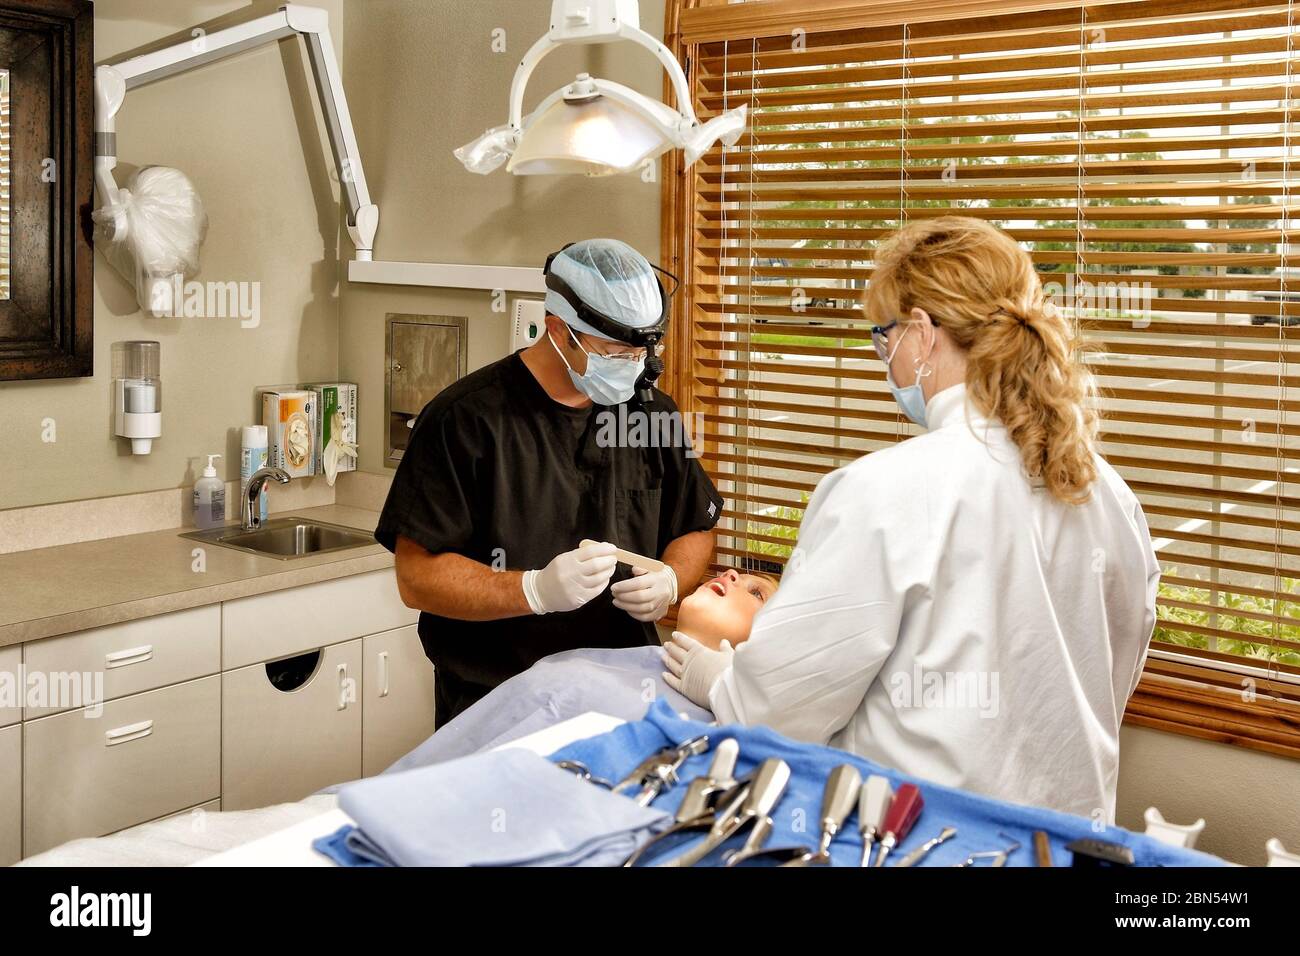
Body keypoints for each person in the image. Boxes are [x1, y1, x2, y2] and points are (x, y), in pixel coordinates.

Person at [664, 216, 1160, 821]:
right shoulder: (1104, 491)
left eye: (884, 337)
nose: (885, 361)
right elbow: (1112, 672)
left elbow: (775, 713)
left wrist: (719, 679)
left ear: (922, 333)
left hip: (918, 835)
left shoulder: (884, 489)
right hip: (1068, 837)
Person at [377, 238, 724, 728]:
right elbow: (417, 578)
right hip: (494, 701)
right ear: (561, 331)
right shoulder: (466, 421)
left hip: (620, 696)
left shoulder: (651, 415)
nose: (632, 365)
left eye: (640, 351)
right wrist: (533, 591)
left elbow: (694, 526)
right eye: (614, 351)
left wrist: (670, 580)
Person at [386, 568, 778, 770]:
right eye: (738, 574)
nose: (729, 574)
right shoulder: (588, 662)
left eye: (756, 591)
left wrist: (728, 689)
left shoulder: (733, 730)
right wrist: (534, 588)